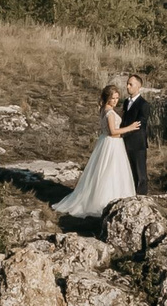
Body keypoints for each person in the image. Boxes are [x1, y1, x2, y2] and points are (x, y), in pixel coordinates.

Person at [52, 85, 140, 219]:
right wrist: (130, 127)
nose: (115, 101)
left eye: (117, 98)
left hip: (106, 142)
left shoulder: (104, 109)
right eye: (113, 98)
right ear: (107, 98)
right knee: (111, 172)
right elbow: (113, 132)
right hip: (112, 143)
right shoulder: (110, 113)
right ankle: (105, 200)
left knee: (104, 171)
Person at [117, 73, 151, 196]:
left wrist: (123, 133)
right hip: (125, 142)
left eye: (130, 84)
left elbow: (140, 125)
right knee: (129, 171)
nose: (127, 87)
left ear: (138, 86)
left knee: (140, 173)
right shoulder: (126, 102)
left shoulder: (144, 104)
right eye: (127, 84)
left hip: (137, 143)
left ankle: (141, 197)